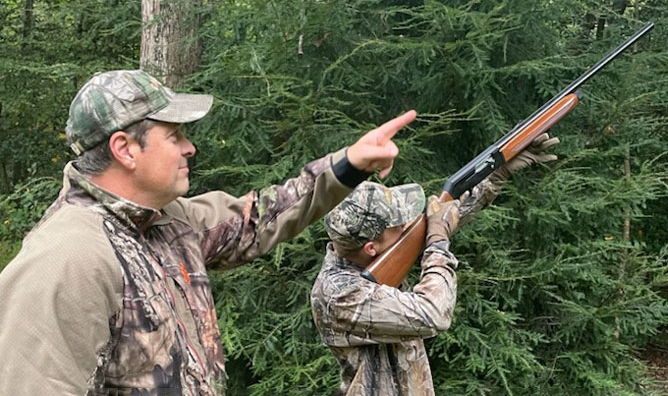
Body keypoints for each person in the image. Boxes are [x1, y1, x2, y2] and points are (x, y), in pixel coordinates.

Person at [0, 69, 418, 395]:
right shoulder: (67, 258)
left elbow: (258, 220)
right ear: (125, 149)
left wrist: (350, 164)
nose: (189, 147)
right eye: (175, 134)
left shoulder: (165, 221)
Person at [310, 133, 559, 395]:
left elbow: (436, 221)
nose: (409, 224)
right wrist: (438, 243)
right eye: (400, 224)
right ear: (372, 248)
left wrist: (499, 172)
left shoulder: (365, 258)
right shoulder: (340, 295)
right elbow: (433, 313)